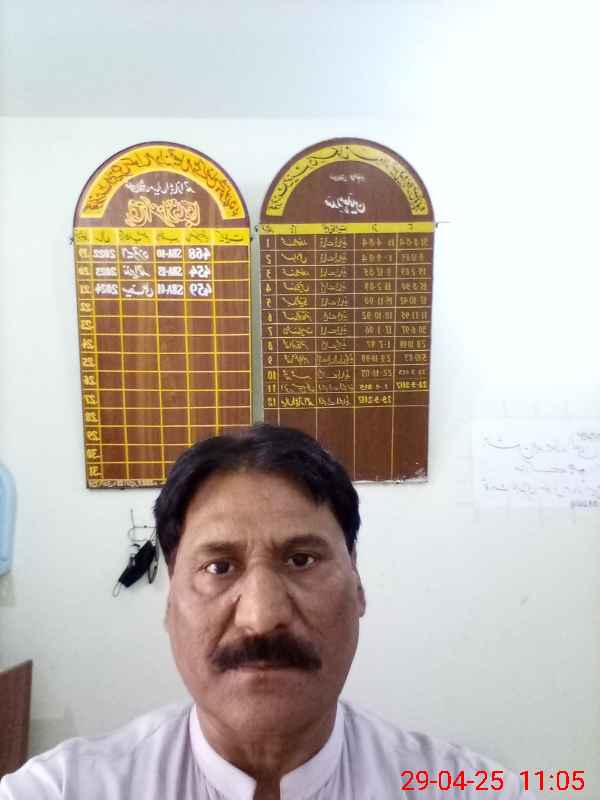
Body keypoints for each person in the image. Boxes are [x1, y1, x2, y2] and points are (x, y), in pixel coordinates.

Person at [0, 424, 537, 799]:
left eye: (301, 560)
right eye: (219, 567)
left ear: (357, 586)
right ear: (170, 606)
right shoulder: (64, 790)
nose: (261, 617)